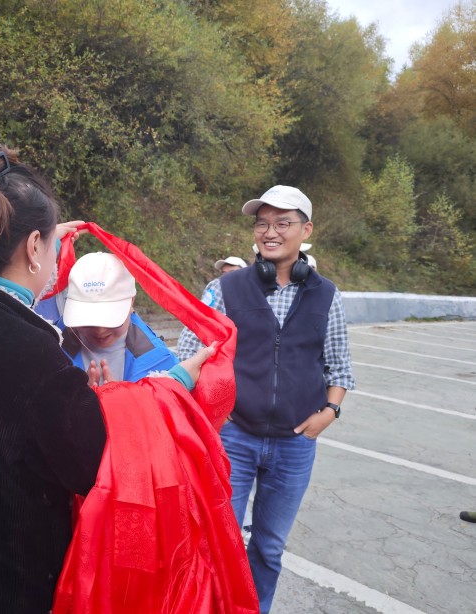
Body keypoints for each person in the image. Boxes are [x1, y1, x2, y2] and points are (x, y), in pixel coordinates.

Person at [0, 144, 213, 613]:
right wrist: (171, 386)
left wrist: (39, 233)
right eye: (48, 243)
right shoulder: (30, 351)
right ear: (32, 247)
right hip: (2, 586)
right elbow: (93, 464)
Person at [176, 185, 355, 614]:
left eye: (282, 223)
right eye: (262, 223)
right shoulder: (224, 289)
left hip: (295, 443)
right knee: (218, 542)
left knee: (269, 549)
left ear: (305, 229)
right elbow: (187, 352)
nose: (269, 232)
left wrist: (328, 413)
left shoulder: (327, 296)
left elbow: (340, 367)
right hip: (234, 436)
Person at [59, 251, 178, 385]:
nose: (100, 330)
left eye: (109, 319)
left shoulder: (160, 361)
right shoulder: (49, 346)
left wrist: (121, 400)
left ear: (131, 302)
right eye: (88, 320)